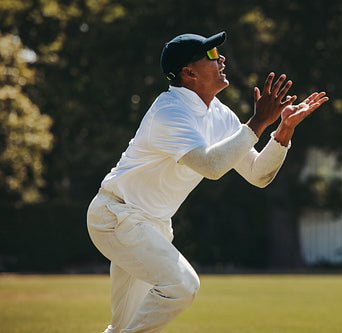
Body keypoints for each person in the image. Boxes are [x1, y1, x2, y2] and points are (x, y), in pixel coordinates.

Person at [87, 31, 328, 333]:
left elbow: (258, 175)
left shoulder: (219, 114)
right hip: (116, 216)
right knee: (182, 286)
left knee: (121, 325)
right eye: (212, 55)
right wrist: (257, 122)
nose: (222, 58)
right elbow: (211, 166)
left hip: (151, 226)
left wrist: (282, 131)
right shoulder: (169, 111)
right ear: (188, 72)